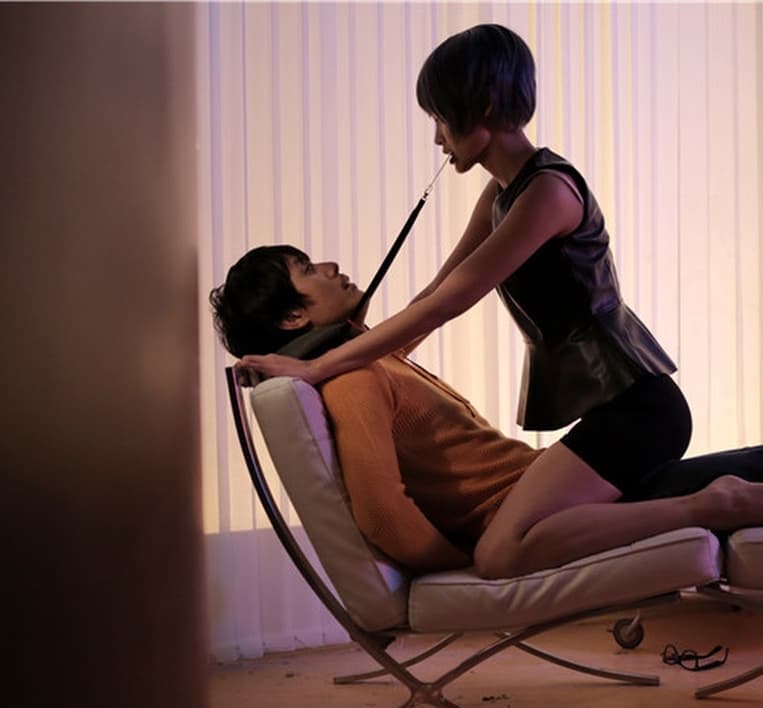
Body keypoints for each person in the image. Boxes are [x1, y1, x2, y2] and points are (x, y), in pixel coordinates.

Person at [211, 246, 763, 579]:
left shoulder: (368, 361)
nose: (331, 265)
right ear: (292, 316)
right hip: (549, 515)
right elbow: (385, 518)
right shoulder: (353, 384)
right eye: (307, 268)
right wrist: (480, 568)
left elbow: (447, 288)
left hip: (562, 495)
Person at [232, 25, 692, 575]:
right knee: (556, 528)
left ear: (485, 106)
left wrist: (317, 366)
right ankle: (735, 492)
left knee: (503, 550)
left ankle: (712, 509)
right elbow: (433, 292)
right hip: (618, 406)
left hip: (640, 405)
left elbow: (448, 302)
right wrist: (359, 352)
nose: (438, 139)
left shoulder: (548, 193)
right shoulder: (502, 193)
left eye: (440, 119)